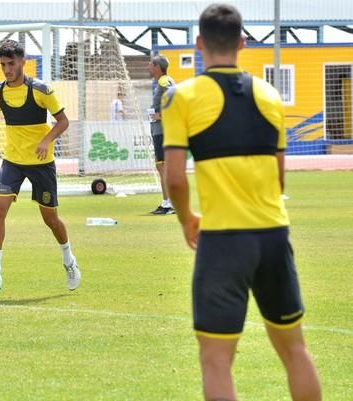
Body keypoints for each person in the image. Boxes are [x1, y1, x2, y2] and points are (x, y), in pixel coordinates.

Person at [163, 4, 321, 401]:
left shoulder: (182, 96)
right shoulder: (270, 94)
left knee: (216, 360)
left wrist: (186, 221)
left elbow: (176, 179)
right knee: (295, 351)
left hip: (223, 240)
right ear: (243, 43)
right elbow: (280, 175)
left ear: (199, 44)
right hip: (273, 235)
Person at [0, 40, 81, 290]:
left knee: (50, 219)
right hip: (12, 160)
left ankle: (69, 259)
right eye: (3, 64)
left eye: (11, 64)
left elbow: (63, 121)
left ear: (23, 62)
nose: (7, 69)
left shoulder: (41, 90)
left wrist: (46, 140)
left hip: (41, 163)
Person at [147, 54, 175, 215]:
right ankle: (168, 203)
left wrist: (162, 115)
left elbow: (175, 97)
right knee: (161, 165)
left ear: (157, 67)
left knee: (162, 165)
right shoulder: (160, 82)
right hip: (160, 130)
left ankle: (168, 204)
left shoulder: (165, 81)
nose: (148, 67)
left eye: (150, 64)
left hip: (163, 130)